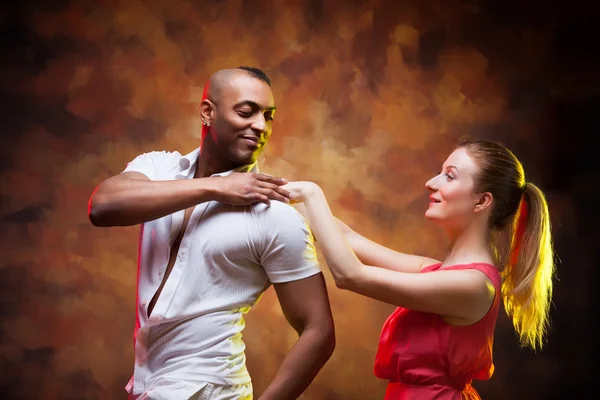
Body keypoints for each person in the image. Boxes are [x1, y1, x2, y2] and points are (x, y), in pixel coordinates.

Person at [88, 66, 335, 400]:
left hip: (213, 390)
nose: (260, 126)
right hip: (147, 386)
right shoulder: (159, 169)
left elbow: (318, 331)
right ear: (207, 112)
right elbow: (101, 207)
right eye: (246, 112)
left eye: (269, 116)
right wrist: (216, 188)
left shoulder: (272, 214)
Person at [284, 138, 555, 399]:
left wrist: (312, 193)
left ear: (482, 201)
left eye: (449, 176)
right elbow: (349, 239)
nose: (431, 183)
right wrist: (272, 190)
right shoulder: (435, 271)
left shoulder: (473, 285)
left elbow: (351, 275)